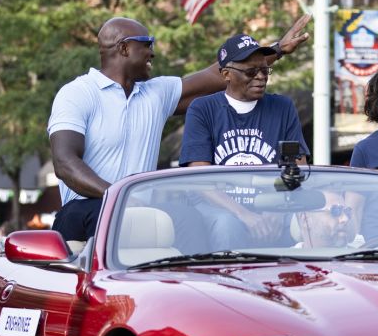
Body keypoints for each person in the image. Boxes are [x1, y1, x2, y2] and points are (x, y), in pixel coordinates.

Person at [47, 14, 311, 242]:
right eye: (147, 44)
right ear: (124, 48)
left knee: (190, 221)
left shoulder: (155, 93)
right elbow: (65, 163)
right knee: (129, 224)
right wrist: (120, 196)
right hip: (88, 208)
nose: (153, 52)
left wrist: (276, 50)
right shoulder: (77, 93)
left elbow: (220, 74)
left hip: (142, 212)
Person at [180, 33, 311, 248]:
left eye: (264, 69)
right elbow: (199, 178)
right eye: (251, 71)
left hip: (273, 204)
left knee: (308, 222)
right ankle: (227, 281)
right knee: (228, 225)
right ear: (226, 75)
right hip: (220, 207)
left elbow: (297, 168)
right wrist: (245, 215)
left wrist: (274, 211)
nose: (260, 76)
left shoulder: (283, 107)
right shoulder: (203, 109)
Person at [294, 190, 360, 248]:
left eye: (347, 212)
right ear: (306, 220)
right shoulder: (286, 260)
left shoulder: (361, 259)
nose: (345, 219)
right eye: (336, 211)